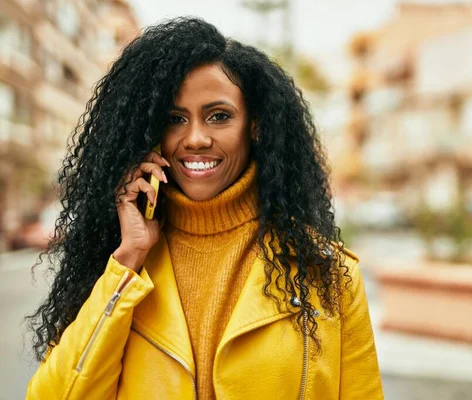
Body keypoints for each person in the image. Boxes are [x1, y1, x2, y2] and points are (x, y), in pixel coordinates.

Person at [26, 17, 382, 399]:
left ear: (255, 125)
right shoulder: (119, 264)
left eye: (219, 116)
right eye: (175, 119)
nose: (195, 138)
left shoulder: (326, 272)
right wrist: (128, 259)